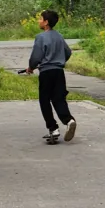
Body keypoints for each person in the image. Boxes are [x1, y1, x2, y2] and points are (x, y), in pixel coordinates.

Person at [26, 9, 76, 142]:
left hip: (46, 72)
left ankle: (53, 128)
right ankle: (69, 120)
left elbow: (36, 56)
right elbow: (68, 52)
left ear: (46, 22)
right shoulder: (59, 36)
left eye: (40, 19)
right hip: (59, 72)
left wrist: (31, 67)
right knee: (59, 98)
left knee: (45, 100)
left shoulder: (41, 37)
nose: (39, 21)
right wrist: (59, 60)